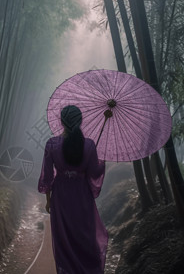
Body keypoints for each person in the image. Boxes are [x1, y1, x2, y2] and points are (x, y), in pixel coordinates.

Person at [38, 105, 111, 274]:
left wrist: (48, 202)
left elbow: (47, 178)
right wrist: (101, 162)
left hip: (61, 199)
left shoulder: (52, 144)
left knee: (64, 241)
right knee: (85, 237)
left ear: (62, 122)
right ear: (80, 121)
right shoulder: (90, 145)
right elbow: (94, 172)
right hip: (82, 197)